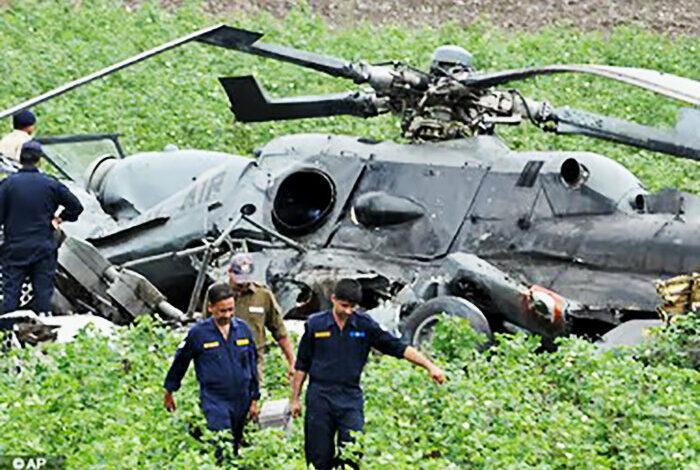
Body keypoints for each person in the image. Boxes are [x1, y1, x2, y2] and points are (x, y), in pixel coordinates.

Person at [291, 278, 446, 470]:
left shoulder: (364, 325)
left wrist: (429, 366)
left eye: (353, 307)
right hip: (320, 397)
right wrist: (295, 399)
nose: (348, 311)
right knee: (319, 456)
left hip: (350, 397)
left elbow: (397, 347)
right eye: (344, 305)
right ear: (333, 299)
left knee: (352, 453)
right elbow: (302, 364)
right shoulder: (316, 325)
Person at [164, 283, 260, 457]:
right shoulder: (198, 334)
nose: (228, 315)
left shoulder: (243, 330)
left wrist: (255, 398)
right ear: (210, 308)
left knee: (240, 446)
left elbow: (252, 364)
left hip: (242, 397)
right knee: (222, 442)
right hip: (215, 399)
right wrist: (170, 390)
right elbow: (180, 362)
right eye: (223, 311)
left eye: (231, 310)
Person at [0, 141, 83, 314]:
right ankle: (43, 334)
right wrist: (60, 218)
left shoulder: (7, 185)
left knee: (11, 297)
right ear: (39, 160)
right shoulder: (50, 184)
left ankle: (7, 335)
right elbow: (76, 206)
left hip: (15, 249)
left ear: (20, 158)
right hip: (43, 249)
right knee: (43, 297)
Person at [205, 253, 295, 385]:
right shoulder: (216, 292)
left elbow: (279, 331)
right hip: (221, 358)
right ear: (229, 272)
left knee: (252, 399)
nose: (243, 284)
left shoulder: (263, 295)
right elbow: (205, 327)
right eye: (239, 279)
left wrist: (292, 361)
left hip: (253, 359)